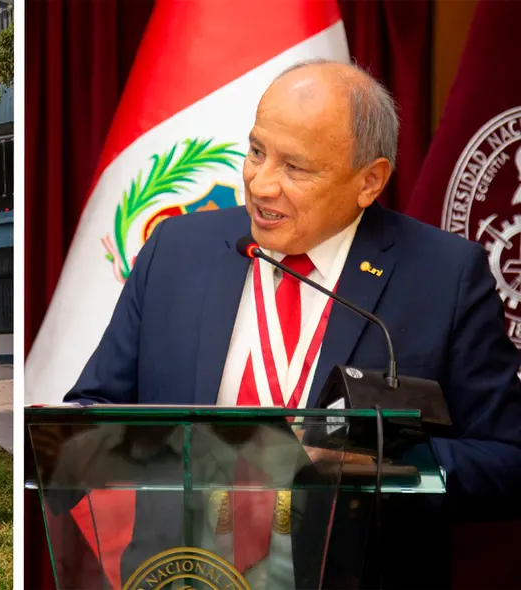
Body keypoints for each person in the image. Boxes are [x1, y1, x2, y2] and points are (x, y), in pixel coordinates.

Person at [63, 60, 521, 588]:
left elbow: (508, 461)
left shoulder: (444, 277)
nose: (260, 183)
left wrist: (380, 464)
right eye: (256, 151)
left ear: (369, 181)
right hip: (184, 574)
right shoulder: (175, 250)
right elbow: (93, 411)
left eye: (295, 168)